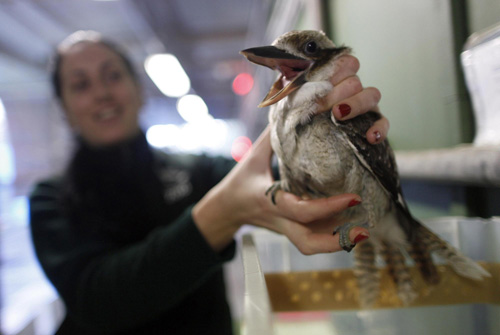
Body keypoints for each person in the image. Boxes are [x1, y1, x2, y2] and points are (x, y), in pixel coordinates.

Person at [29, 30, 388, 334]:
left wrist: (341, 132)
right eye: (81, 85)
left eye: (112, 76)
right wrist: (221, 213)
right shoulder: (50, 201)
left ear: (138, 89)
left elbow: (285, 180)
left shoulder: (197, 170)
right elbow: (98, 302)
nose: (102, 93)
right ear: (64, 107)